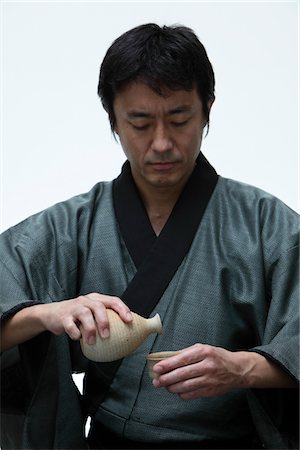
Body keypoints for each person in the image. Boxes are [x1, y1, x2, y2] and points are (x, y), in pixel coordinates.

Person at [0, 23, 299, 450]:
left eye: (179, 118)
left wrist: (243, 368)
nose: (161, 143)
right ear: (113, 120)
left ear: (207, 109)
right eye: (140, 122)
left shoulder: (267, 224)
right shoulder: (71, 226)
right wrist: (44, 315)